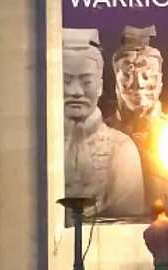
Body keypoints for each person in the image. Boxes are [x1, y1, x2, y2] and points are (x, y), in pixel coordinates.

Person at [62, 28, 144, 218]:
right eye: (65, 81)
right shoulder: (38, 148)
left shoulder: (122, 148)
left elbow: (128, 216)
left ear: (99, 86)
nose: (76, 91)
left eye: (86, 82)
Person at [106, 25, 165, 205]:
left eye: (147, 75)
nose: (138, 84)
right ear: (116, 81)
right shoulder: (104, 130)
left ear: (160, 81)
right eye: (128, 74)